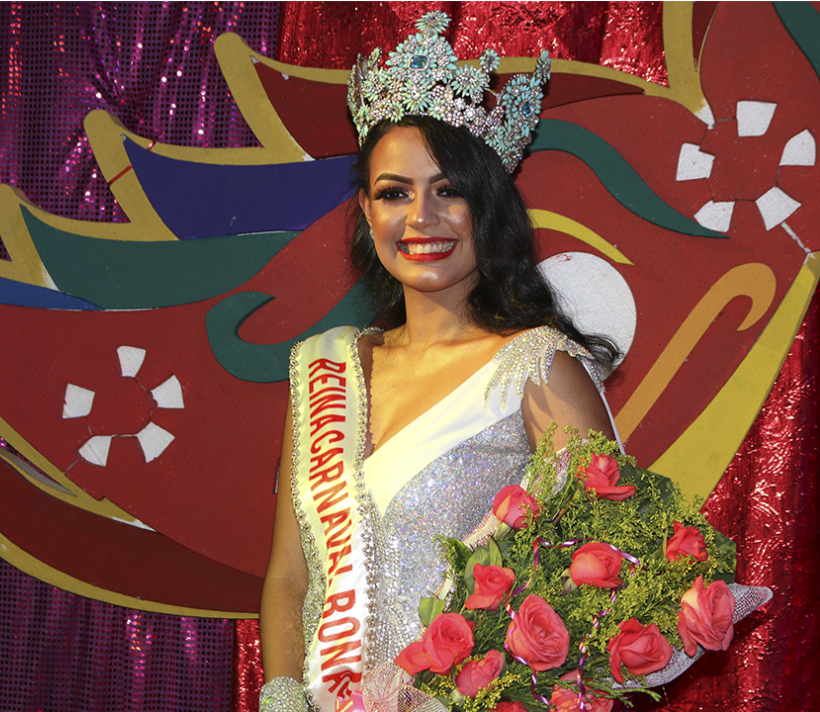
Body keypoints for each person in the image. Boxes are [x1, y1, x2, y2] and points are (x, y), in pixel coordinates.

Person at [258, 13, 621, 712]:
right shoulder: (327, 367)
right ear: (367, 211)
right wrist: (280, 700)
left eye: (449, 190)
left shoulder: (537, 368)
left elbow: (605, 570)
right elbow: (288, 578)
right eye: (395, 192)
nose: (421, 216)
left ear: (488, 208)